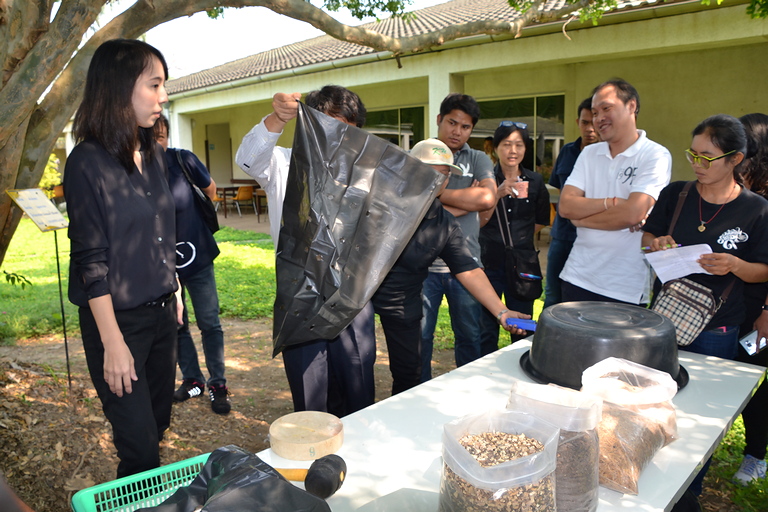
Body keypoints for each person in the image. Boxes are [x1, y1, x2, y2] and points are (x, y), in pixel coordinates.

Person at [64, 39, 181, 478]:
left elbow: (161, 231)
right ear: (119, 87)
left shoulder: (154, 154)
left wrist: (175, 289)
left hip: (163, 316)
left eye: (163, 85)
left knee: (159, 425)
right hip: (117, 323)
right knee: (140, 450)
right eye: (154, 84)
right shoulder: (86, 163)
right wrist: (113, 343)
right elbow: (91, 261)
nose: (163, 96)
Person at [642, 114, 768, 495]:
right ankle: (651, 475)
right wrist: (656, 243)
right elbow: (648, 236)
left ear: (736, 159)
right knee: (654, 400)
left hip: (718, 327)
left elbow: (763, 270)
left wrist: (735, 265)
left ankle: (689, 490)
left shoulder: (757, 210)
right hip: (667, 317)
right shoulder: (677, 194)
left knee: (701, 416)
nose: (697, 164)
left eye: (707, 157)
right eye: (693, 154)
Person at [235, 86, 376, 417]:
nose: (340, 138)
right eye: (330, 127)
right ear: (309, 124)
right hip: (300, 298)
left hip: (351, 298)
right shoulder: (284, 164)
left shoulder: (367, 174)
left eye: (349, 130)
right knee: (310, 397)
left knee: (357, 388)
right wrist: (277, 118)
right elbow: (248, 159)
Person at [372, 138, 530, 394]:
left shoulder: (442, 222)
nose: (438, 180)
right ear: (411, 170)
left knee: (409, 373)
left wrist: (502, 311)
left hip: (402, 300)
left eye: (444, 174)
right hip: (359, 300)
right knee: (355, 365)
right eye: (431, 172)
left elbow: (468, 269)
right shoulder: (380, 203)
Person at [558, 79, 671, 305]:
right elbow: (566, 206)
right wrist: (613, 202)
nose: (599, 118)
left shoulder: (654, 155)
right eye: (595, 112)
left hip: (624, 285)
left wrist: (580, 220)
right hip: (577, 275)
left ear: (631, 106)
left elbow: (632, 214)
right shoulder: (589, 154)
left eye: (606, 108)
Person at [155, 115, 230, 415]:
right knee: (177, 323)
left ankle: (218, 384)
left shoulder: (182, 160)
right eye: (150, 136)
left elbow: (210, 190)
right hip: (162, 265)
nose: (156, 142)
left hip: (197, 257)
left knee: (209, 321)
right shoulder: (137, 170)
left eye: (161, 136)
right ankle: (193, 379)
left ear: (167, 137)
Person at [420, 93, 497, 382]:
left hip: (466, 264)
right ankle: (417, 391)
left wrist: (435, 196)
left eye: (465, 127)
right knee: (420, 338)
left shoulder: (478, 158)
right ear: (439, 119)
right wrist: (466, 201)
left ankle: (469, 392)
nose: (457, 131)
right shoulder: (423, 154)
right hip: (424, 266)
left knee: (469, 336)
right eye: (452, 123)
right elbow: (411, 206)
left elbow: (486, 198)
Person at [477, 122, 550, 353]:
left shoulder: (535, 181)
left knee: (523, 327)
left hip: (522, 265)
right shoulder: (484, 180)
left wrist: (518, 238)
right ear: (496, 147)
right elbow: (476, 221)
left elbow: (541, 219)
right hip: (488, 261)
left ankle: (520, 364)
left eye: (519, 145)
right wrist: (496, 194)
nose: (513, 150)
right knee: (485, 328)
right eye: (507, 144)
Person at [732, 113, 768, 485]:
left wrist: (767, 312)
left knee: (756, 380)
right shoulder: (737, 192)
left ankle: (755, 455)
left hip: (761, 307)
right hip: (731, 301)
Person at [543, 97, 599, 309]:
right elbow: (561, 190)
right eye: (585, 123)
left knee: (581, 298)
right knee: (553, 293)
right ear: (578, 122)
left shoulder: (608, 157)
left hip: (593, 236)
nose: (590, 129)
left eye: (594, 123)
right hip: (562, 234)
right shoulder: (567, 151)